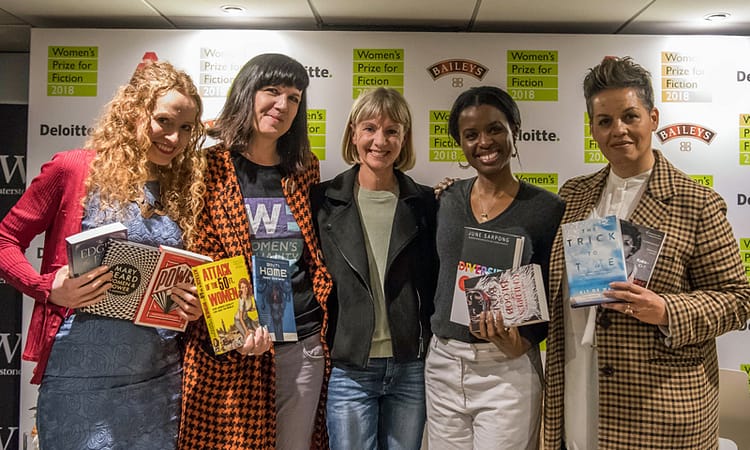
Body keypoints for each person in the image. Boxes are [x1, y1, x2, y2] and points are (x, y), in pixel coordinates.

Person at [542, 56, 750, 450]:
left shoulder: (697, 202)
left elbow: (739, 300)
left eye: (629, 116)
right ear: (593, 129)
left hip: (658, 406)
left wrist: (667, 310)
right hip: (577, 385)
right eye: (605, 121)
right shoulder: (573, 194)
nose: (618, 130)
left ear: (653, 118)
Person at [0, 60, 206, 449]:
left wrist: (193, 306)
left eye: (186, 129)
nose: (174, 138)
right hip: (78, 377)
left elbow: (180, 280)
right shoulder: (73, 168)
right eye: (164, 121)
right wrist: (45, 286)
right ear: (132, 111)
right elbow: (5, 239)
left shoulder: (182, 185)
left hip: (158, 379)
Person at [178, 53, 333, 450]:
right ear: (248, 92)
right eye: (272, 91)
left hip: (302, 342)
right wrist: (238, 330)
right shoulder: (206, 167)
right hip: (232, 348)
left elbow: (310, 254)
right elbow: (204, 255)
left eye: (294, 98)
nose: (282, 105)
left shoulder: (304, 167)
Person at [426, 86, 565, 449]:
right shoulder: (445, 199)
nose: (484, 142)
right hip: (443, 362)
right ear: (460, 143)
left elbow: (556, 292)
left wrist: (523, 341)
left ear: (514, 129)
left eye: (495, 129)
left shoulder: (548, 208)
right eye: (471, 135)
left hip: (507, 366)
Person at [311, 87, 438, 450]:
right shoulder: (321, 201)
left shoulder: (426, 203)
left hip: (409, 366)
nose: (380, 140)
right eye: (369, 128)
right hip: (350, 367)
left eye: (392, 131)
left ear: (405, 138)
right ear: (353, 133)